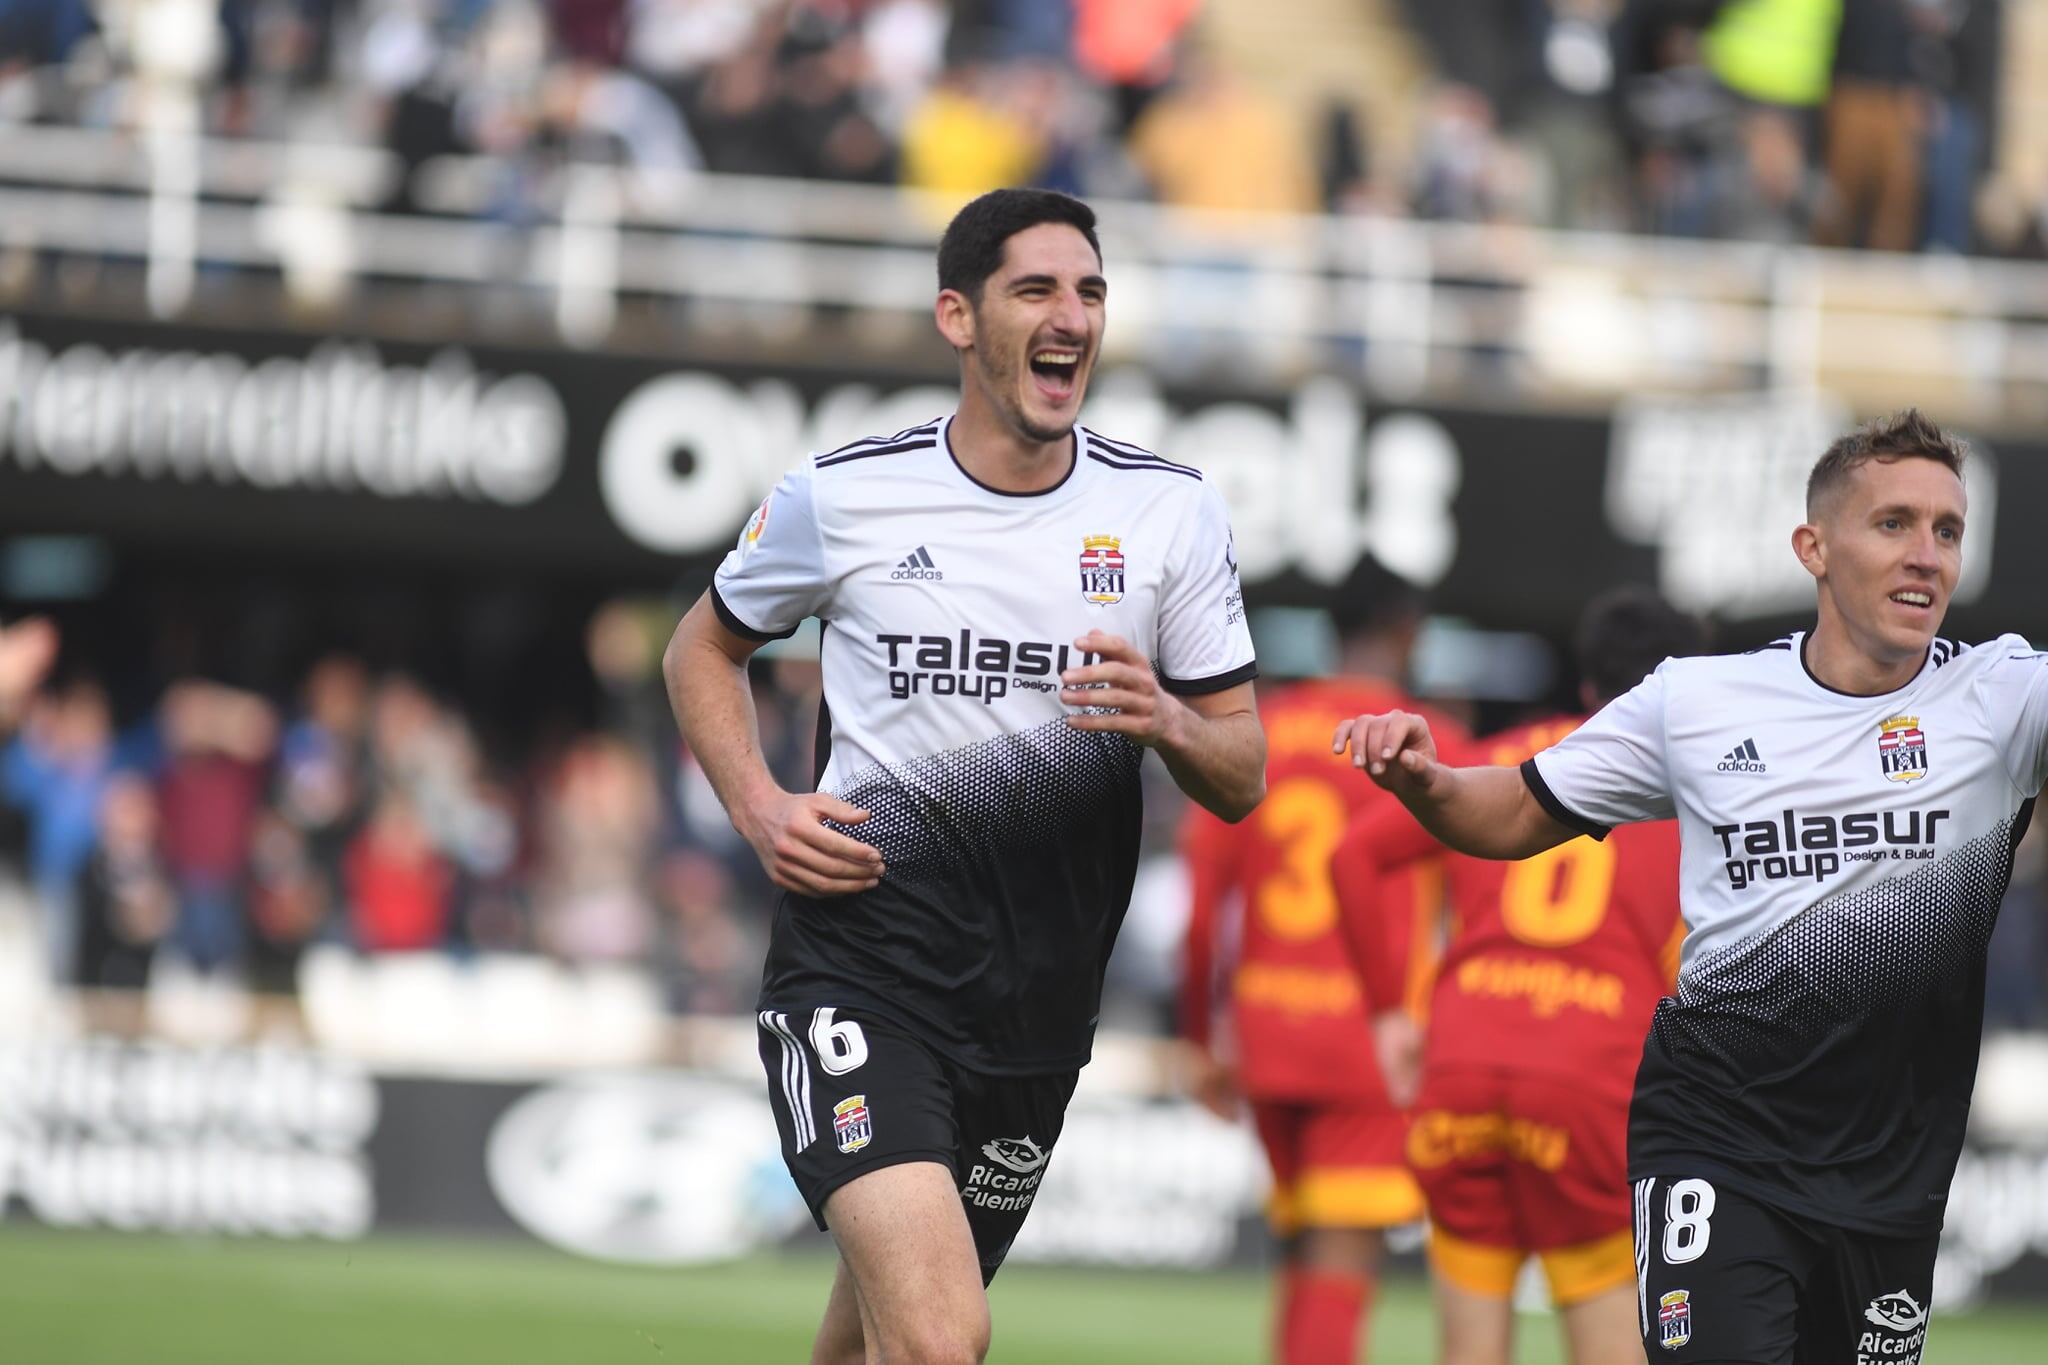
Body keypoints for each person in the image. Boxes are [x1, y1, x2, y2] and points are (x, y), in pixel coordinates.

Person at [662, 186, 1264, 1365]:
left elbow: (1242, 769)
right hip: (860, 976)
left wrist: (1169, 725)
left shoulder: (1168, 512)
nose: (1071, 317)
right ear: (957, 316)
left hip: (1037, 1015)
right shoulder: (846, 494)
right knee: (941, 1340)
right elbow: (702, 646)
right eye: (1036, 289)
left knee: (880, 1342)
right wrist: (759, 807)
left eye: (1089, 291)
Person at [1334, 410, 2048, 1363]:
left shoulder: (2004, 698)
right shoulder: (1698, 701)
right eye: (1893, 524)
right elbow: (1510, 812)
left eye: (1947, 530)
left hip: (1890, 1179)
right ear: (1814, 547)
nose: (1926, 555)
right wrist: (1425, 778)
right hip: (1715, 1141)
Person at [1333, 588, 1703, 1365]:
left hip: (1461, 1062)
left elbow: (1352, 855)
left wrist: (1387, 1015)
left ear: (1588, 687)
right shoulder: (1693, 792)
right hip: (1589, 1082)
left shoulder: (1502, 762)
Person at [1178, 559, 1465, 1365]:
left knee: (1301, 1261)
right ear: (1409, 633)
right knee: (1341, 1269)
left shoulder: (1256, 735)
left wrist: (1203, 1038)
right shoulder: (1430, 741)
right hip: (1365, 1041)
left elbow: (1201, 916)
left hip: (1267, 1035)